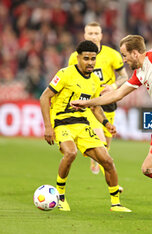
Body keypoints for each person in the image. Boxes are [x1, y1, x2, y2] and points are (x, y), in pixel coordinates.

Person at [71, 33, 152, 217]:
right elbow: (117, 95)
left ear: (135, 53)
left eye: (125, 55)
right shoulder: (140, 73)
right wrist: (86, 103)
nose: (124, 60)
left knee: (149, 168)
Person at [40, 40, 131, 212]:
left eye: (93, 59)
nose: (90, 62)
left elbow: (95, 107)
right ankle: (60, 197)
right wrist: (48, 127)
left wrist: (106, 123)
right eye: (86, 58)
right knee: (70, 153)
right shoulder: (65, 73)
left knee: (107, 161)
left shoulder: (95, 80)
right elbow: (45, 97)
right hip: (61, 122)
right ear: (78, 58)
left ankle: (116, 204)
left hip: (82, 124)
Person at [68, 22, 128, 175]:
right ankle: (112, 180)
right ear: (84, 35)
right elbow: (72, 79)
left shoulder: (112, 55)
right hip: (90, 104)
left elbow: (124, 76)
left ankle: (97, 160)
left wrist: (113, 87)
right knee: (100, 141)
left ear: (101, 35)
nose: (93, 36)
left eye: (96, 33)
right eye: (90, 33)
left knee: (107, 142)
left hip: (108, 102)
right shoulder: (75, 57)